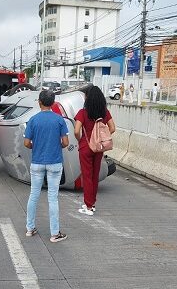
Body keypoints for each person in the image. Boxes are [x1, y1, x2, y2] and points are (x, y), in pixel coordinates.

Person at [24, 90, 69, 243]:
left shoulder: (33, 120)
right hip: (55, 162)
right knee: (52, 198)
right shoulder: (59, 120)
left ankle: (30, 228)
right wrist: (55, 146)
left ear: (39, 102)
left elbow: (26, 143)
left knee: (34, 195)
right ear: (53, 103)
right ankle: (55, 233)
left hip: (37, 162)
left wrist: (35, 147)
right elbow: (66, 142)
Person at [74, 86, 116, 216]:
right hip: (98, 148)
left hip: (86, 147)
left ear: (87, 98)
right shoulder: (104, 112)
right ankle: (92, 204)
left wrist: (80, 139)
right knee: (94, 175)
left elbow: (76, 130)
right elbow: (112, 128)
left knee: (86, 176)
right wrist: (102, 137)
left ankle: (88, 206)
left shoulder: (82, 112)